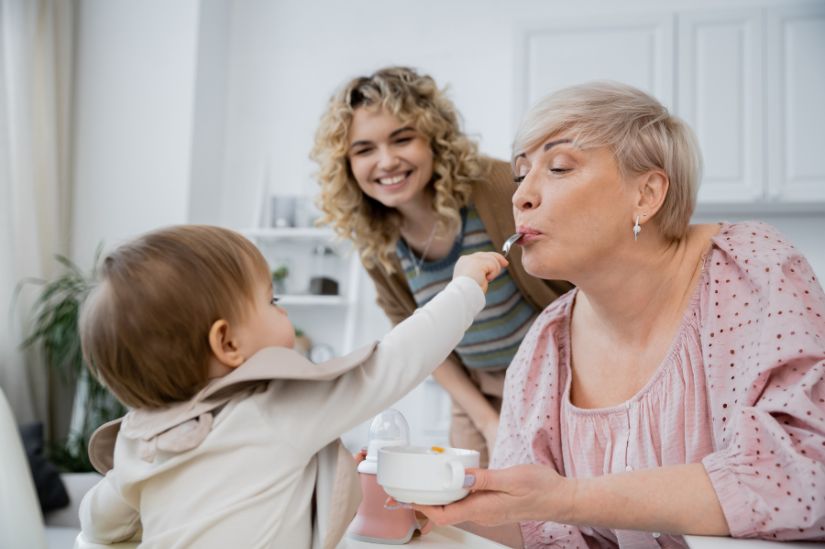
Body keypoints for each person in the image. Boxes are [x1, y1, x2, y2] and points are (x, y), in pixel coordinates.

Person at [414, 81, 825, 547]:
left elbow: (801, 476)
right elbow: (542, 527)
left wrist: (566, 498)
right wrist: (426, 498)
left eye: (560, 167)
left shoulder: (752, 271)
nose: (521, 196)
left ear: (646, 194)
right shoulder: (546, 347)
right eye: (520, 174)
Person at [76, 224, 507, 548]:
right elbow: (396, 361)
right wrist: (465, 287)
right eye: (272, 301)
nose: (284, 314)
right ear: (227, 343)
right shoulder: (277, 404)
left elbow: (96, 528)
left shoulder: (139, 438)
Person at [311, 66, 571, 466]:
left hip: (557, 377)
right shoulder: (376, 241)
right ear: (346, 164)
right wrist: (485, 420)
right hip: (475, 393)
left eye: (402, 139)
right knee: (474, 514)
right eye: (364, 149)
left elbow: (575, 282)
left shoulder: (499, 186)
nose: (386, 161)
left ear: (434, 139)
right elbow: (423, 343)